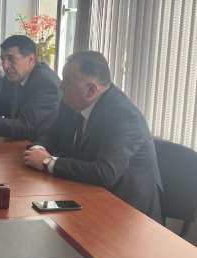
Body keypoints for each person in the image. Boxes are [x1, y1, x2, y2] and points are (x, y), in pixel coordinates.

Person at [23, 51, 163, 222]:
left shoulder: (123, 116)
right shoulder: (72, 101)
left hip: (128, 212)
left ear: (91, 89)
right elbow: (52, 135)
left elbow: (105, 173)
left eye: (67, 81)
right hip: (85, 193)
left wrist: (48, 162)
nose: (60, 86)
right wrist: (37, 150)